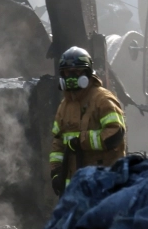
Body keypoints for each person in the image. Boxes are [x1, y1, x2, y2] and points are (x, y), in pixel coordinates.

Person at [49, 47, 126, 195]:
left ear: (87, 73)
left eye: (76, 72)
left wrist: (81, 140)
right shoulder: (64, 106)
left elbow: (115, 134)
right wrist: (56, 172)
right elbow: (57, 144)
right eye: (66, 73)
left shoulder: (102, 100)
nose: (70, 77)